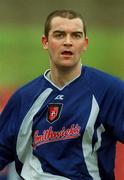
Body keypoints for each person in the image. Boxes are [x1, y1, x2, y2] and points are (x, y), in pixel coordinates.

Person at [0, 9, 124, 180]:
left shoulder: (110, 90)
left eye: (76, 35)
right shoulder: (24, 98)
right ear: (45, 42)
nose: (68, 42)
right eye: (59, 35)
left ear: (85, 43)